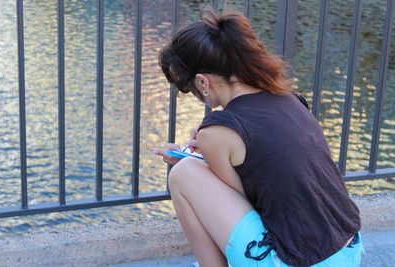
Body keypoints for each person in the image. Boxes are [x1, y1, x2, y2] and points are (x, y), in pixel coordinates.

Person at [154, 9, 362, 267]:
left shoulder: (218, 131)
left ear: (202, 82)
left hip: (298, 261)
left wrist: (193, 158)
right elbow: (271, 171)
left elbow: (247, 204)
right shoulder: (288, 99)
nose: (192, 94)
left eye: (187, 88)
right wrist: (208, 152)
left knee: (182, 174)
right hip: (348, 249)